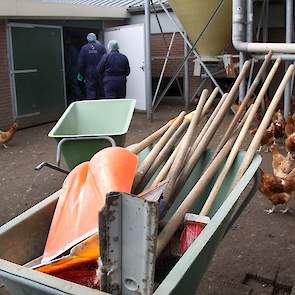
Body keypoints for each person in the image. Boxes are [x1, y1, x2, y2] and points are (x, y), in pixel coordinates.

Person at [77, 33, 106, 99]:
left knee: (90, 91)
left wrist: (81, 73)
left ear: (88, 39)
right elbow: (106, 60)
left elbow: (81, 63)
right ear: (95, 38)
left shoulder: (84, 48)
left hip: (89, 73)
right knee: (100, 91)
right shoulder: (101, 48)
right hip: (100, 72)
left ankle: (92, 106)